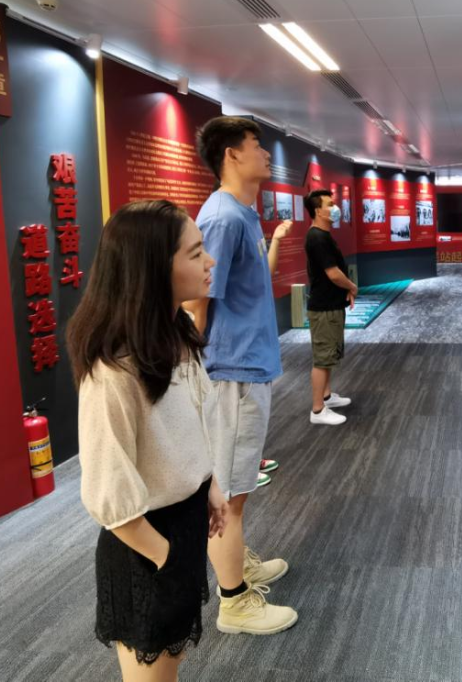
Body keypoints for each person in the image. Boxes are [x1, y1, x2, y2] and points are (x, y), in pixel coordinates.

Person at [69, 200, 231, 681]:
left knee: (170, 660)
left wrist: (209, 486)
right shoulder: (114, 370)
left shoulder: (176, 332)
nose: (209, 261)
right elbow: (107, 491)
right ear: (153, 268)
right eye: (195, 253)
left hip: (183, 524)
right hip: (144, 542)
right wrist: (165, 556)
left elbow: (189, 424)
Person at [183, 116, 297, 635]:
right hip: (230, 371)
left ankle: (238, 564)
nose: (266, 154)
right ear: (231, 154)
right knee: (227, 492)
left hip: (249, 366)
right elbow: (196, 301)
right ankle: (233, 601)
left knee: (238, 485)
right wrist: (195, 374)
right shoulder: (222, 218)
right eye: (257, 145)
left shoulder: (243, 214)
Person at [303, 188, 357, 425]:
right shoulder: (317, 238)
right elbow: (333, 273)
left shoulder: (323, 235)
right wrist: (352, 287)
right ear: (318, 211)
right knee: (323, 358)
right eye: (330, 204)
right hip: (323, 308)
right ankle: (317, 410)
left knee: (329, 354)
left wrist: (346, 291)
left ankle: (326, 396)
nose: (335, 208)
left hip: (331, 305)